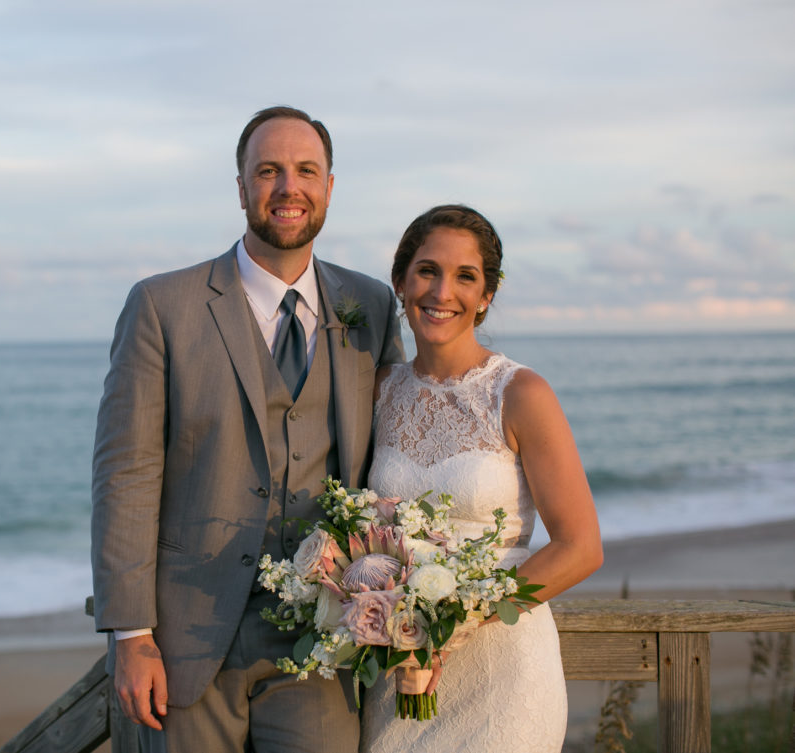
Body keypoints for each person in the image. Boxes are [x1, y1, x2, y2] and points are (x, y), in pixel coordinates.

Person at [91, 106, 405, 753]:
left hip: (323, 639)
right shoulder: (163, 305)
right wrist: (131, 634)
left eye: (305, 171)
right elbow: (126, 472)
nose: (288, 187)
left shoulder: (370, 305)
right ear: (240, 187)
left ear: (329, 187)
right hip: (188, 640)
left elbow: (399, 450)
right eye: (268, 171)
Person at [360, 205, 603, 752]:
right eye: (426, 271)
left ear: (486, 295)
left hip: (505, 671)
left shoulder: (520, 393)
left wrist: (466, 619)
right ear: (400, 282)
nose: (442, 292)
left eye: (465, 277)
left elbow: (581, 548)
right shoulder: (379, 392)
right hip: (401, 666)